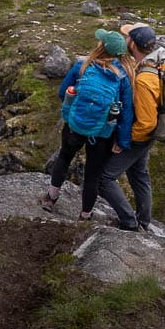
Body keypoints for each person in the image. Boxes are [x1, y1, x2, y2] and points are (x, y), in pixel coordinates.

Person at [39, 29, 134, 220]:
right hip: (102, 133)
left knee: (64, 158)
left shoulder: (82, 66)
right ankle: (85, 215)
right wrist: (122, 141)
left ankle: (50, 198)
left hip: (75, 124)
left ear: (102, 47)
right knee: (93, 174)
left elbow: (62, 92)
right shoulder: (122, 76)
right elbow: (126, 112)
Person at [97, 23, 161, 231]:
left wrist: (124, 141)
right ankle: (144, 220)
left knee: (104, 179)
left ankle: (129, 222)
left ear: (133, 44)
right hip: (149, 135)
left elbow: (146, 122)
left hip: (140, 136)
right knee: (139, 175)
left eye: (127, 37)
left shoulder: (143, 80)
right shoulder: (156, 64)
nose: (125, 39)